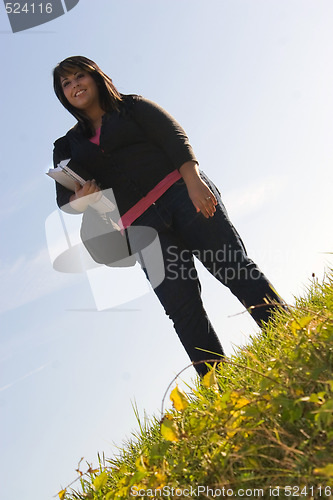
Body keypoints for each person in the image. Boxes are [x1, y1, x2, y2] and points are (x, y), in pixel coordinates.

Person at [52, 55, 284, 376]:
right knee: (182, 309)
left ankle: (289, 332)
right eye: (66, 82)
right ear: (62, 94)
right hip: (141, 229)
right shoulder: (67, 146)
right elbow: (65, 200)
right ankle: (219, 385)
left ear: (95, 77)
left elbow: (173, 137)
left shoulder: (132, 107)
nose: (74, 84)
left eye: (80, 76)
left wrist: (194, 182)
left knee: (235, 269)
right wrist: (83, 198)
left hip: (183, 196)